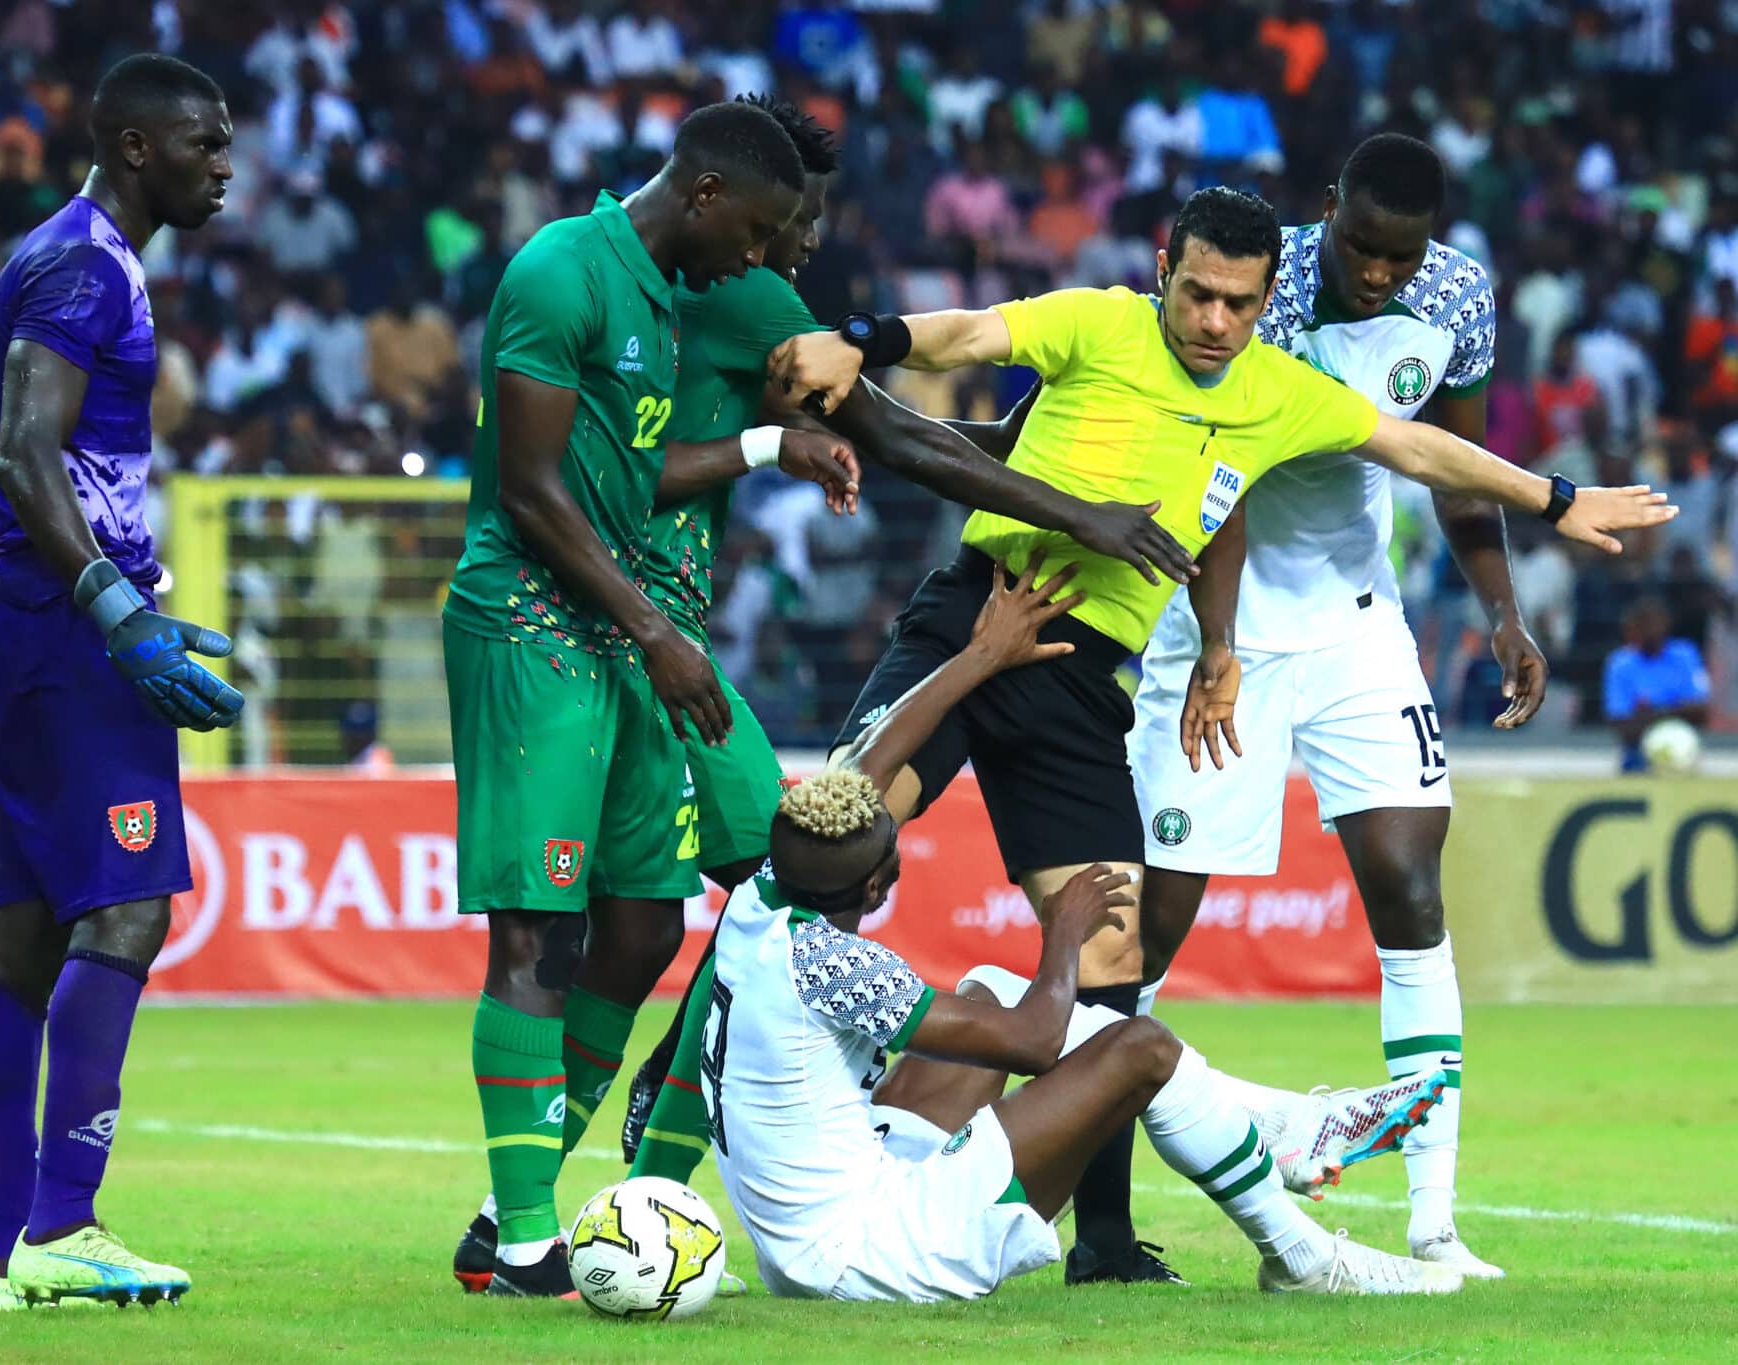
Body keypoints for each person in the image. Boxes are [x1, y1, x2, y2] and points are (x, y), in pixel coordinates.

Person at [767, 184, 1675, 1283]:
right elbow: (962, 334)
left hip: (1080, 682)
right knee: (824, 849)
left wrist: (1553, 498)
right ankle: (675, 1137)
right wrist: (857, 339)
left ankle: (1100, 1241)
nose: (1210, 322)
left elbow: (1420, 450)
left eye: (1235, 305)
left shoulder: (1273, 393)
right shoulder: (1097, 322)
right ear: (1163, 271)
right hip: (976, 616)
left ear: (1259, 305)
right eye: (1195, 293)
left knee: (1110, 956)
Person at [608, 96, 1195, 1201]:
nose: (810, 239)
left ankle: (648, 1140)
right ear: (741, 207)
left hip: (696, 617)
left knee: (770, 873)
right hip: (644, 615)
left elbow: (915, 434)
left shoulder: (717, 281)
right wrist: (1073, 507)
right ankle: (654, 1141)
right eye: (800, 217)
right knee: (803, 853)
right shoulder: (755, 297)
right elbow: (898, 433)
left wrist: (1020, 451)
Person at [709, 555, 1464, 1301]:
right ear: (876, 882)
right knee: (1138, 1045)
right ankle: (1300, 1252)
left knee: (987, 990)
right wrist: (1064, 932)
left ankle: (1284, 1125)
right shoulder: (834, 965)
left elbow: (872, 765)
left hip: (812, 1229)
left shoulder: (760, 901)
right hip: (881, 1250)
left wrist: (980, 655)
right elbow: (1037, 1042)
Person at [440, 99, 859, 1301]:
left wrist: (771, 453)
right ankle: (525, 1242)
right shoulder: (560, 271)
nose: (771, 260)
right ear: (710, 196)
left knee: (651, 926)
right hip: (534, 627)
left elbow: (636, 473)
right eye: (766, 231)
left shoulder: (679, 299)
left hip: (640, 635)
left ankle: (598, 1189)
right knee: (537, 928)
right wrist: (656, 631)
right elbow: (530, 490)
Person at [1126, 133, 1537, 1282]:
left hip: (1358, 623)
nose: (1376, 275)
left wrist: (1500, 613)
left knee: (1410, 892)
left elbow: (1451, 466)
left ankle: (1433, 1222)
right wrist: (1216, 643)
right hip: (1220, 624)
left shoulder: (1456, 297)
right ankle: (1095, 1218)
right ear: (1327, 213)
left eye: (1398, 259)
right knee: (1150, 930)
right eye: (1359, 246)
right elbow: (1226, 468)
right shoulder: (1264, 283)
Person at [0, 53, 240, 1312]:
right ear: (137, 147)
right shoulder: (81, 263)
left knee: (26, 938)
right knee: (126, 912)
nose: (223, 163)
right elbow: (27, 454)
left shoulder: (72, 258)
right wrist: (116, 605)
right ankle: (64, 1227)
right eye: (204, 143)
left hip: (27, 623)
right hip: (62, 631)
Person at [1604, 597, 1711, 773]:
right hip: (1637, 752)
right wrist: (1677, 709)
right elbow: (1622, 724)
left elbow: (1701, 711)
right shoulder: (1620, 663)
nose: (1650, 631)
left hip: (1686, 743)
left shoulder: (1685, 654)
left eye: (1654, 624)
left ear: (1666, 624)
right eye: (1642, 625)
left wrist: (1651, 712)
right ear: (1631, 629)